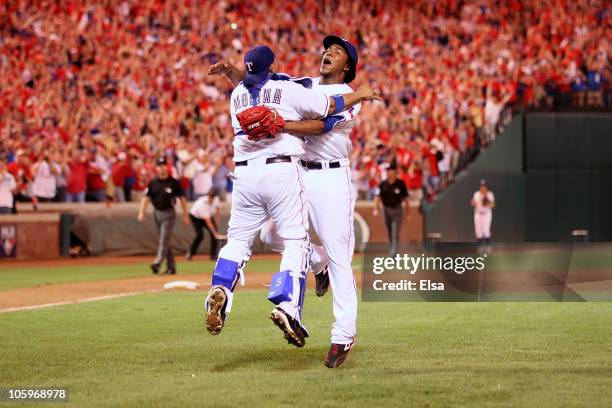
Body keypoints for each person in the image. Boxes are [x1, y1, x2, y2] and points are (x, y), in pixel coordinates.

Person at [210, 35, 372, 368]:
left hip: (330, 178)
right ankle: (318, 264)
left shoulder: (348, 96)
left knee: (340, 254)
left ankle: (343, 335)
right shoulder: (307, 84)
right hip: (298, 173)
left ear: (347, 66)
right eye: (328, 49)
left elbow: (321, 125)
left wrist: (281, 122)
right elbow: (265, 84)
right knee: (271, 236)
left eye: (338, 52)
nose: (328, 53)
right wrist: (234, 74)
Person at [137, 156, 189, 275]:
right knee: (165, 241)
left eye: (163, 165)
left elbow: (182, 199)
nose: (162, 168)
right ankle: (171, 267)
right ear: (156, 168)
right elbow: (146, 198)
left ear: (167, 166)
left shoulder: (174, 182)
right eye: (159, 166)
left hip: (169, 213)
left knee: (163, 239)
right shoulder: (153, 182)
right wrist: (141, 212)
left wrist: (185, 214)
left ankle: (158, 262)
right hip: (157, 213)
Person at [374, 164, 408, 255]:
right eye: (388, 171)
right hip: (385, 209)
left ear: (395, 173)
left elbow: (405, 199)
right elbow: (377, 197)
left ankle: (394, 253)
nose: (390, 173)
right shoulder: (382, 184)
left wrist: (407, 213)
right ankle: (391, 250)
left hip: (397, 210)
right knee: (389, 232)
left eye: (392, 171)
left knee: (395, 232)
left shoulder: (400, 184)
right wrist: (376, 209)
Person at [186, 190, 224, 261]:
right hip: (196, 217)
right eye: (210, 197)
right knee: (200, 235)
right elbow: (208, 221)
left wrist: (217, 221)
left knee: (215, 236)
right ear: (208, 196)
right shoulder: (202, 204)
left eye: (212, 197)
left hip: (208, 216)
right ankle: (190, 253)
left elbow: (218, 209)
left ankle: (213, 256)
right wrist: (214, 232)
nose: (211, 198)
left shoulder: (216, 199)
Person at [471, 179, 495, 244]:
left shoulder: (489, 194)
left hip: (486, 214)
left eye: (484, 186)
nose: (483, 187)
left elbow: (493, 205)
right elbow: (472, 203)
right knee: (478, 231)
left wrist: (487, 201)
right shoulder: (476, 194)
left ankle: (488, 246)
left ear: (486, 187)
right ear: (480, 187)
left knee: (486, 230)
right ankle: (479, 246)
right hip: (478, 213)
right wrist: (473, 202)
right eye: (482, 186)